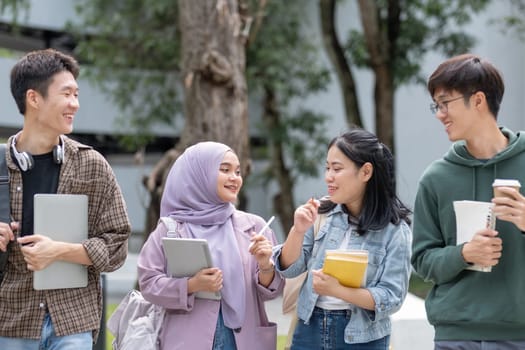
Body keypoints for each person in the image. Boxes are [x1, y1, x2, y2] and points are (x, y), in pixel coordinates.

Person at [0, 48, 131, 349]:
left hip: (73, 321)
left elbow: (117, 246)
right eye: (67, 94)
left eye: (76, 94)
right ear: (34, 98)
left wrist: (61, 251)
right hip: (10, 319)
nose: (75, 104)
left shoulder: (92, 165)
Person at [411, 53, 525, 349]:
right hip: (455, 336)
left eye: (445, 103)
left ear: (477, 101)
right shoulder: (435, 178)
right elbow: (423, 261)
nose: (439, 114)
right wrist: (465, 254)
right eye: (436, 105)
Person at [273, 128, 412, 349]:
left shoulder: (395, 231)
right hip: (310, 329)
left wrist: (337, 290)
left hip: (362, 339)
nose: (329, 176)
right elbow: (289, 269)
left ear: (366, 172)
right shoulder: (321, 214)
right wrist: (297, 231)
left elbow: (391, 297)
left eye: (337, 169)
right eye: (327, 168)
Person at [137, 141, 285, 350]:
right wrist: (191, 285)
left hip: (243, 341)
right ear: (199, 175)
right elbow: (149, 284)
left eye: (238, 171)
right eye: (225, 170)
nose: (235, 178)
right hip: (187, 341)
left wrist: (266, 266)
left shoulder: (255, 227)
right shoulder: (171, 229)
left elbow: (272, 291)